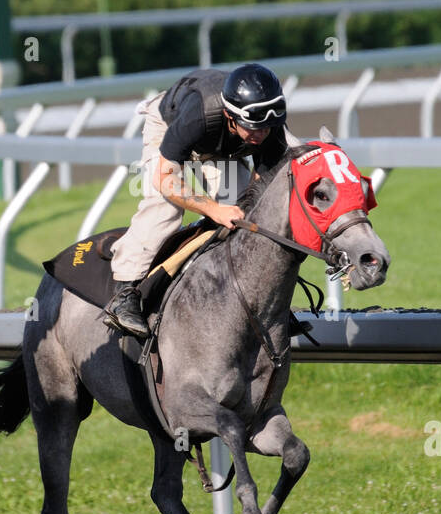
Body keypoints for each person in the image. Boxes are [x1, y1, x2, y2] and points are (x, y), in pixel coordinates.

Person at [104, 62, 297, 338]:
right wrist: (213, 209)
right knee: (166, 207)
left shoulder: (268, 125)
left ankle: (252, 298)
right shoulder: (199, 116)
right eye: (252, 127)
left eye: (267, 128)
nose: (261, 134)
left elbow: (262, 182)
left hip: (220, 146)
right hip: (170, 126)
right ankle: (124, 293)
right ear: (231, 117)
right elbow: (166, 179)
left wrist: (243, 205)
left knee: (246, 212)